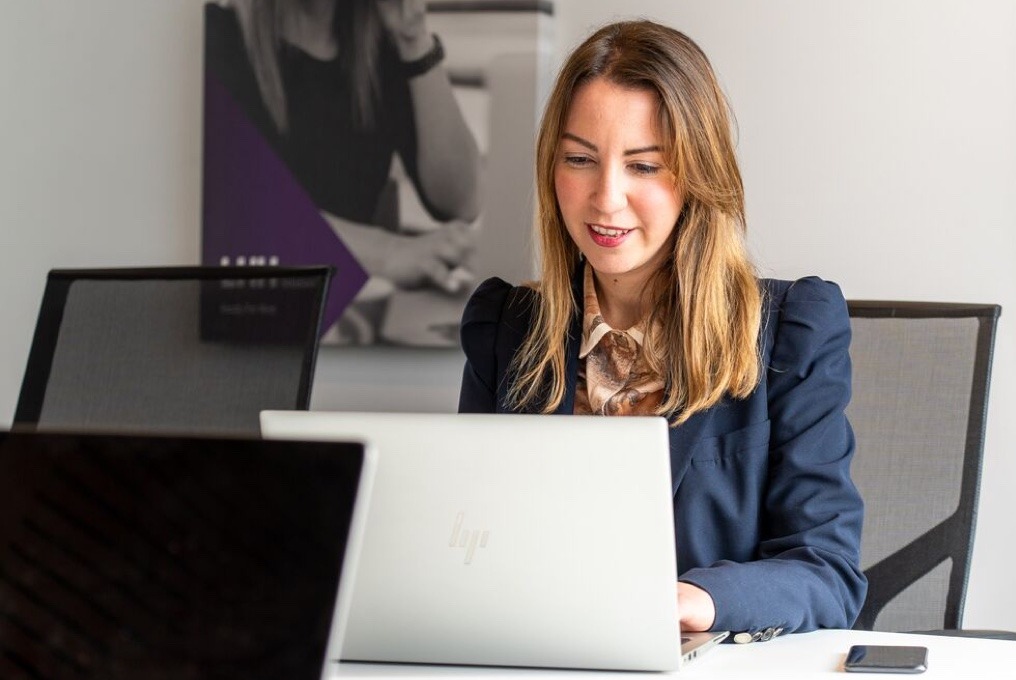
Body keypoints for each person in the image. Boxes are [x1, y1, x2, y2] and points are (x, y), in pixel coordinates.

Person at [458, 20, 866, 639]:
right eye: (580, 160)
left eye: (644, 166)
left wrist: (695, 599)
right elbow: (463, 546)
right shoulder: (506, 331)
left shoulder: (790, 333)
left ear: (697, 175)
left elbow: (828, 574)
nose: (606, 198)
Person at [204, 0, 480, 293]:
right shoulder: (214, 38)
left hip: (349, 315)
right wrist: (387, 252)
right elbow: (241, 208)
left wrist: (414, 40)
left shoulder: (377, 49)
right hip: (256, 311)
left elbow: (460, 201)